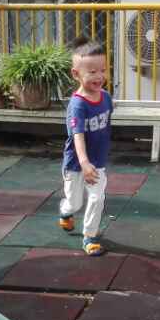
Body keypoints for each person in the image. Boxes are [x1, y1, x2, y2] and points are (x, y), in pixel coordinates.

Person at [58, 40, 112, 256]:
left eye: (103, 70)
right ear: (76, 74)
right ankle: (65, 212)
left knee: (97, 198)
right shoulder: (78, 104)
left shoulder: (106, 98)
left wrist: (95, 160)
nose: (99, 76)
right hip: (76, 164)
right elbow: (77, 135)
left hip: (97, 162)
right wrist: (84, 162)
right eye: (92, 72)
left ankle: (90, 236)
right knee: (74, 202)